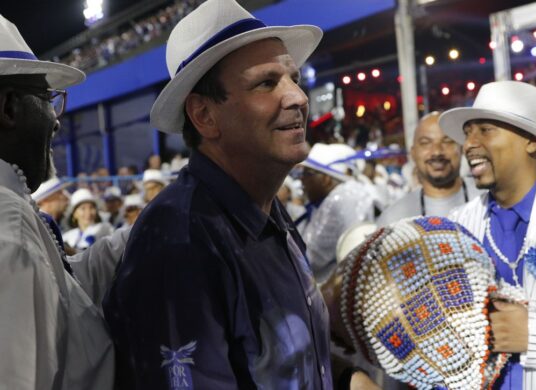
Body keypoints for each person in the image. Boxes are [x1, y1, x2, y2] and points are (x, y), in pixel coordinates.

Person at [103, 0, 336, 388]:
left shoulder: (267, 210)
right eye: (266, 82)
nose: (297, 97)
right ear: (204, 116)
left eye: (293, 78)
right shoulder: (180, 241)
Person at [0, 14, 116, 389]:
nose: (56, 120)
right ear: (9, 107)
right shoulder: (9, 222)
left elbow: (63, 297)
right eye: (47, 98)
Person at [442, 80, 536, 389]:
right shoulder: (458, 225)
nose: (468, 145)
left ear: (530, 141)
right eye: (467, 133)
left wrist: (535, 336)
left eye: (485, 130)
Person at [377, 111, 481, 226]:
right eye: (425, 143)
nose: (437, 152)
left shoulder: (488, 202)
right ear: (413, 153)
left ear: (461, 148)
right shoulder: (393, 219)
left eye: (447, 141)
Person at [298, 143, 375, 282]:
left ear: (326, 179)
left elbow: (309, 257)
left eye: (307, 173)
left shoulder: (343, 198)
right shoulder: (347, 195)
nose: (301, 179)